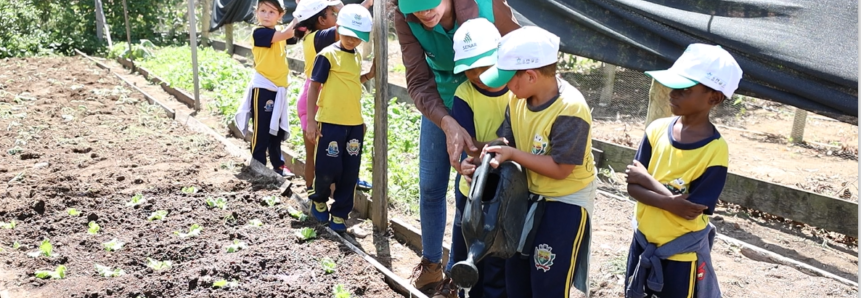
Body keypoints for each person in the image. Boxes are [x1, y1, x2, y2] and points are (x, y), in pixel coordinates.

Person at [392, 0, 520, 292]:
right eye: (416, 8)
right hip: (442, 100)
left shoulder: (488, 6)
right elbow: (418, 80)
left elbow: (522, 50)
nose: (424, 14)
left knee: (478, 185)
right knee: (430, 186)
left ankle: (458, 272)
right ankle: (432, 264)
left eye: (430, 4)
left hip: (491, 100)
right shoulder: (405, 17)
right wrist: (447, 123)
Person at [463, 26, 597, 297]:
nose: (503, 85)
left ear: (531, 76)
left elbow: (561, 168)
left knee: (548, 282)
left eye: (508, 78)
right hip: (528, 195)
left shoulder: (570, 108)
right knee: (516, 275)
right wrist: (483, 162)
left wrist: (513, 155)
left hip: (565, 203)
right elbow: (507, 142)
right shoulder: (516, 100)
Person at [623, 43, 741, 298]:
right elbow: (633, 185)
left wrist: (648, 180)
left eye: (683, 90)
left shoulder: (715, 150)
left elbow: (690, 210)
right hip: (642, 242)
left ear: (714, 97)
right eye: (673, 86)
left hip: (681, 255)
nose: (672, 94)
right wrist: (668, 200)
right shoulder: (656, 130)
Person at [432, 18, 513, 298]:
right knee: (468, 249)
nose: (478, 74)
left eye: (484, 66)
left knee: (499, 255)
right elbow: (468, 144)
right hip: (474, 187)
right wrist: (495, 147)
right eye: (470, 69)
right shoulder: (464, 94)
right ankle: (460, 289)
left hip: (508, 190)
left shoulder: (515, 91)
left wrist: (488, 148)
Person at [304, 4, 375, 232]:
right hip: (330, 122)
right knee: (328, 166)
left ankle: (340, 214)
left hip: (353, 124)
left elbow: (351, 83)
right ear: (338, 28)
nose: (352, 40)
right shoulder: (327, 55)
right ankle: (319, 200)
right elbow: (314, 87)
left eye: (358, 38)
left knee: (350, 172)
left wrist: (369, 75)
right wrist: (313, 122)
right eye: (348, 35)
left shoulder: (355, 56)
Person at [234, 0, 298, 177]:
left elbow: (298, 33)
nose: (266, 15)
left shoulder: (279, 34)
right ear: (256, 13)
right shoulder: (260, 33)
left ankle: (279, 165)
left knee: (275, 130)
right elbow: (287, 33)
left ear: (280, 16)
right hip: (264, 88)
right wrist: (300, 11)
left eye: (271, 12)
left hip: (278, 89)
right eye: (262, 11)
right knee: (262, 129)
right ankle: (258, 163)